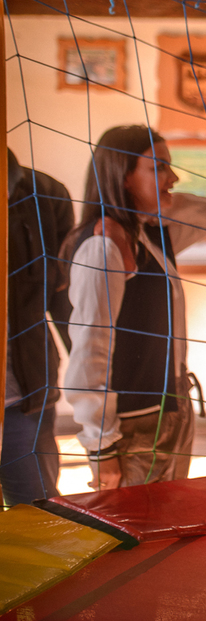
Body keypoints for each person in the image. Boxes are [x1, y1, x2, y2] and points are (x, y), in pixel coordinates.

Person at [62, 126, 206, 490]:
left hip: (173, 410)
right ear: (123, 177)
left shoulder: (150, 233)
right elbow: (90, 347)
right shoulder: (102, 246)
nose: (174, 177)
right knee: (139, 525)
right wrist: (101, 446)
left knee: (172, 517)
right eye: (158, 167)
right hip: (133, 426)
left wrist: (151, 205)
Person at [3, 149, 73, 507]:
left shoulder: (45, 193)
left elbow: (65, 302)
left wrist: (102, 388)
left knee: (40, 516)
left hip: (24, 398)